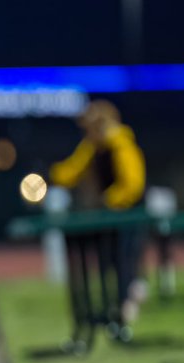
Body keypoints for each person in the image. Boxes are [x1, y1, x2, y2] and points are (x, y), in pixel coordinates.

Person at [49, 98, 148, 322]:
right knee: (108, 257)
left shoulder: (121, 143)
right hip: (111, 213)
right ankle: (117, 304)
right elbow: (73, 169)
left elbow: (132, 185)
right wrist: (51, 176)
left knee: (126, 257)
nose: (87, 132)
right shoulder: (93, 145)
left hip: (131, 211)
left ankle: (127, 299)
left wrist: (109, 201)